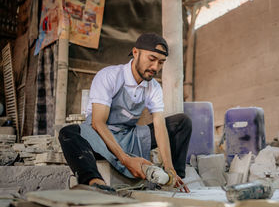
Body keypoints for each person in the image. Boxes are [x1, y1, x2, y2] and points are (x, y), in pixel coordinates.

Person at [59, 33, 191, 193]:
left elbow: (159, 126)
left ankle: (175, 180)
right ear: (136, 52)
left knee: (181, 122)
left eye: (161, 62)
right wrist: (126, 159)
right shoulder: (109, 76)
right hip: (100, 136)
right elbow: (97, 123)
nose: (156, 67)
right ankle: (94, 181)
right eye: (152, 59)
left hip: (130, 137)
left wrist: (169, 167)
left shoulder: (154, 87)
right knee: (69, 132)